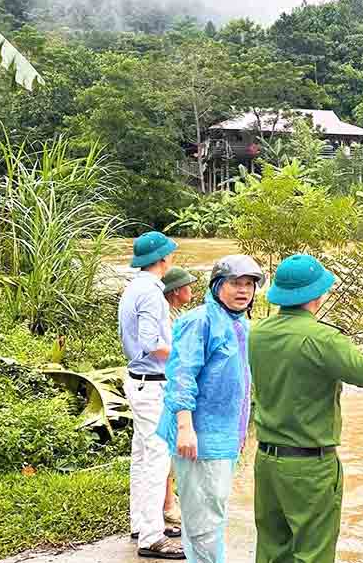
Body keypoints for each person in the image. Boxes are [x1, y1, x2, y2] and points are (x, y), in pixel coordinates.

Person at [249, 254, 363, 563]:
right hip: (309, 466)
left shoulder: (258, 333)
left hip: (267, 461)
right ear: (316, 294)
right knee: (314, 553)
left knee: (271, 550)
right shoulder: (323, 338)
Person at [156, 255, 265, 563]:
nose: (243, 290)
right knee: (203, 517)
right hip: (198, 433)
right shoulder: (200, 321)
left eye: (249, 285)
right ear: (218, 286)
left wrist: (241, 432)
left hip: (225, 435)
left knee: (213, 509)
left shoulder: (240, 323)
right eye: (235, 283)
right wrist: (185, 427)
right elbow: (181, 375)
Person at [119, 231, 184, 559]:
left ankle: (142, 522)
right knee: (157, 457)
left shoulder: (136, 287)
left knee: (143, 456)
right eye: (170, 253)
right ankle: (151, 537)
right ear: (162, 259)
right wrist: (181, 357)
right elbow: (149, 343)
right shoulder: (151, 293)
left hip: (139, 379)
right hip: (152, 382)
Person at [160, 266, 199, 529]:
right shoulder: (169, 318)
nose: (191, 290)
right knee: (166, 450)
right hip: (168, 386)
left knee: (170, 451)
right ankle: (167, 505)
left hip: (171, 385)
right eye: (187, 286)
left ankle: (170, 500)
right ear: (176, 292)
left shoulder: (176, 314)